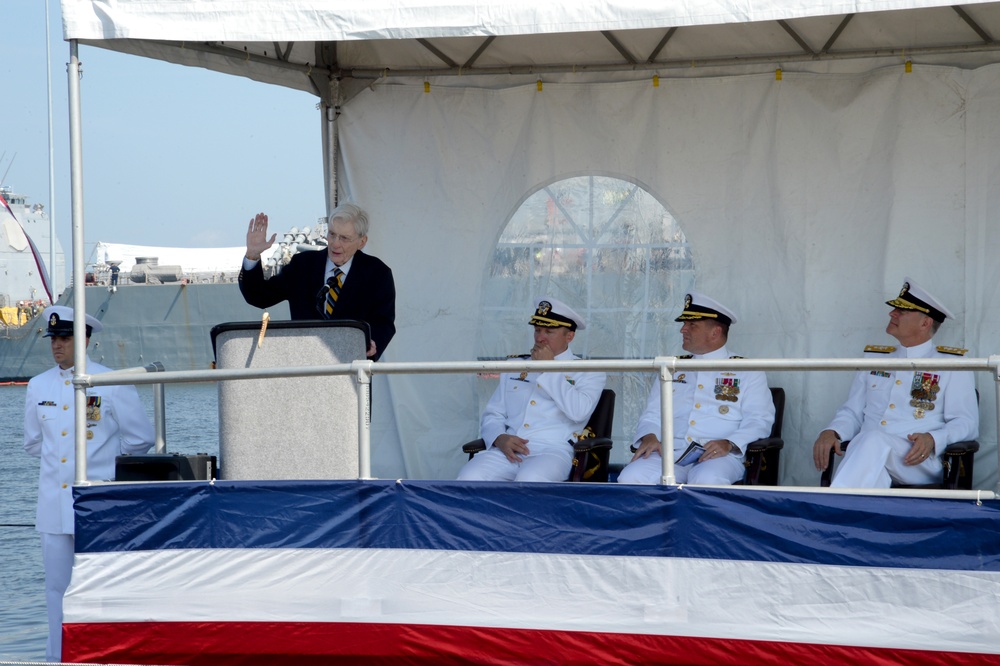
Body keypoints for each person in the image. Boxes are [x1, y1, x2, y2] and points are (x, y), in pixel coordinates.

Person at [23, 305, 155, 662]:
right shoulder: (38, 386)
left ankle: (106, 656)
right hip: (53, 506)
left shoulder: (111, 382)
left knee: (102, 587)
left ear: (83, 340)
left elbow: (139, 439)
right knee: (55, 590)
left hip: (98, 502)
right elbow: (34, 443)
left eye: (65, 338)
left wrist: (102, 465)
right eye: (53, 339)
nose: (57, 346)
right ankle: (58, 657)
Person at [813, 278, 978, 488]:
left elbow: (967, 423)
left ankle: (829, 509)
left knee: (871, 440)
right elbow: (853, 412)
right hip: (869, 455)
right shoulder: (874, 359)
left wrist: (934, 438)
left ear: (925, 323)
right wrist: (832, 431)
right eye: (895, 309)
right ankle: (850, 515)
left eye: (902, 311)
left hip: (916, 460)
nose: (892, 314)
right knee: (873, 464)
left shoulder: (952, 364)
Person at [617, 292, 774, 485]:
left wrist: (729, 443)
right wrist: (649, 435)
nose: (683, 330)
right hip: (670, 453)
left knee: (706, 480)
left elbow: (759, 420)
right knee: (630, 477)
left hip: (718, 457)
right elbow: (652, 414)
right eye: (684, 324)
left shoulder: (746, 370)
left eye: (692, 325)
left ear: (715, 332)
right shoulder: (672, 368)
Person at [457, 297, 607, 482]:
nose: (540, 337)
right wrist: (498, 437)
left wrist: (548, 368)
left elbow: (578, 412)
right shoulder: (515, 365)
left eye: (549, 331)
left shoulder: (588, 371)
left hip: (551, 450)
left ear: (569, 336)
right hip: (509, 448)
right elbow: (493, 414)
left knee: (530, 480)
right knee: (469, 478)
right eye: (537, 330)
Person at [238, 203, 396, 361]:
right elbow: (258, 296)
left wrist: (372, 342)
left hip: (351, 368)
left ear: (362, 242)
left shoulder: (377, 274)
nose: (335, 243)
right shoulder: (303, 266)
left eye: (344, 238)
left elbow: (383, 322)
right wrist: (252, 255)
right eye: (332, 234)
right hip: (305, 366)